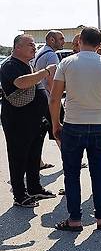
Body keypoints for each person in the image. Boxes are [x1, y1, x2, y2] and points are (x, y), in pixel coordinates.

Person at [49, 27, 101, 231]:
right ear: (99, 45)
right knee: (99, 172)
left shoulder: (67, 63)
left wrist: (56, 124)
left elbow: (54, 99)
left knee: (71, 174)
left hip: (73, 125)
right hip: (100, 125)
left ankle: (75, 220)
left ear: (80, 42)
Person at [1, 35, 56, 207]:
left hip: (35, 121)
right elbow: (21, 83)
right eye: (30, 45)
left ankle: (34, 187)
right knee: (18, 157)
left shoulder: (27, 64)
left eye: (34, 44)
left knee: (33, 156)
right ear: (17, 47)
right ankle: (20, 195)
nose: (34, 47)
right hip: (18, 122)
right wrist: (46, 72)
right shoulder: (10, 65)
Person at [34, 30, 66, 169]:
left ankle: (38, 162)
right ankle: (69, 160)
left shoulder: (40, 52)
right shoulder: (52, 56)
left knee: (39, 132)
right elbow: (52, 81)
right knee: (59, 130)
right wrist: (57, 100)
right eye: (61, 39)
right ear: (52, 40)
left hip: (40, 98)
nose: (63, 41)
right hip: (49, 100)